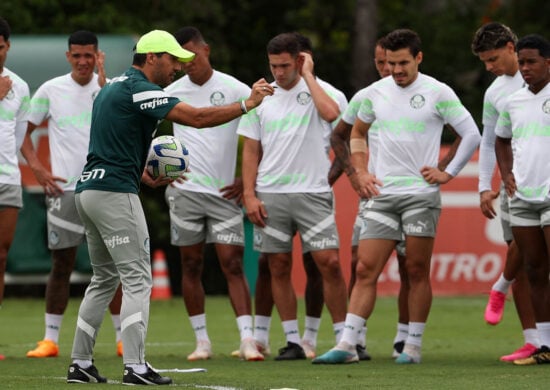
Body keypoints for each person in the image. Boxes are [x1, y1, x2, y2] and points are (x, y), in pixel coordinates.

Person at [65, 29, 272, 385]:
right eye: (172, 59)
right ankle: (136, 366)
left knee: (103, 280)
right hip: (114, 193)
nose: (177, 67)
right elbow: (196, 118)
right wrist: (245, 105)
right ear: (151, 58)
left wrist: (144, 174)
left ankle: (80, 363)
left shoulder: (111, 87)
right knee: (138, 279)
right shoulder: (140, 88)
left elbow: (112, 140)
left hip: (88, 189)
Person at [313, 28, 480, 365]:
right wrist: (360, 171)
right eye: (390, 63)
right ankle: (347, 345)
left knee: (416, 270)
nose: (396, 70)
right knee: (365, 269)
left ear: (418, 58)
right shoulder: (375, 92)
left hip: (420, 196)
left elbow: (471, 133)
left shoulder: (438, 91)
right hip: (382, 195)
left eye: (403, 63)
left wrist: (446, 170)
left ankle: (412, 347)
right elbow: (356, 133)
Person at [239, 32, 348, 361]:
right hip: (271, 193)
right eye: (273, 66)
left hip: (314, 193)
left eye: (285, 65)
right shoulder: (260, 97)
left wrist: (309, 77)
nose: (278, 73)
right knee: (278, 266)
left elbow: (332, 117)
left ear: (301, 61)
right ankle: (293, 341)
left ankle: (346, 340)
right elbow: (250, 150)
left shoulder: (327, 93)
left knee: (328, 263)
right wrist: (249, 194)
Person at [21, 30, 124, 359]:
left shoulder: (110, 87)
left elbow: (124, 121)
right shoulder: (51, 89)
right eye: (76, 55)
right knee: (61, 263)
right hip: (65, 190)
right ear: (68, 56)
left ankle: (123, 337)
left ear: (98, 56)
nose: (82, 61)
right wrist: (37, 168)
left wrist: (105, 79)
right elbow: (25, 134)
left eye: (88, 55)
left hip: (105, 186)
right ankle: (50, 340)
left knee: (113, 264)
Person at [163, 26, 263, 362]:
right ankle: (202, 342)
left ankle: (248, 339)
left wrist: (248, 180)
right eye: (180, 57)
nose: (187, 61)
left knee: (232, 264)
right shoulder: (172, 91)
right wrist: (163, 172)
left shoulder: (236, 88)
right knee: (190, 264)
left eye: (192, 53)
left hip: (224, 194)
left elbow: (258, 136)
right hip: (184, 192)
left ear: (206, 49)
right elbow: (145, 133)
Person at [471, 22, 539, 362]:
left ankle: (500, 284)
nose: (490, 67)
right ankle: (534, 340)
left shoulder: (540, 73)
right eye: (484, 62)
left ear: (512, 48)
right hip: (516, 182)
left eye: (494, 58)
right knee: (525, 256)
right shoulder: (495, 92)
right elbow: (489, 140)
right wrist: (485, 185)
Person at [494, 34, 550, 366]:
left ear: (548, 62)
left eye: (531, 62)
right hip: (524, 196)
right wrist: (506, 173)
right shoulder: (513, 101)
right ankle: (544, 344)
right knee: (533, 270)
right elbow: (501, 140)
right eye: (523, 62)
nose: (525, 68)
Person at [0, 16, 30, 362]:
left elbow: (20, 138)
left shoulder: (20, 86)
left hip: (8, 180)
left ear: (8, 47)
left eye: (1, 47)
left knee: (1, 256)